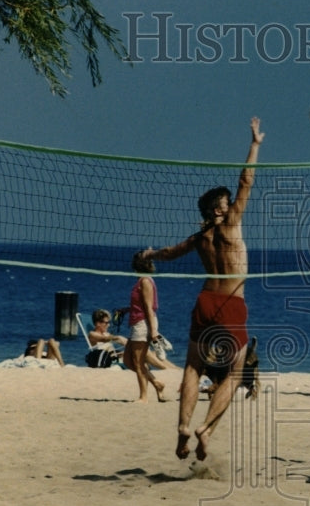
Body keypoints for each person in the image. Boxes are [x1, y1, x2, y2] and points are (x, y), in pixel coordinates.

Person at [139, 117, 264, 458]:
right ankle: (205, 427)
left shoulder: (199, 238)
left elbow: (168, 253)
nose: (230, 205)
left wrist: (148, 254)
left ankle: (182, 426)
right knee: (236, 373)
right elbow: (246, 180)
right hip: (231, 305)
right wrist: (254, 145)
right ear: (219, 209)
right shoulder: (232, 223)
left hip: (205, 302)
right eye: (225, 202)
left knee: (194, 367)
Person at [122, 253, 168, 403]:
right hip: (138, 322)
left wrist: (153, 330)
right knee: (128, 361)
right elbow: (140, 306)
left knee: (138, 361)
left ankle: (144, 397)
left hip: (143, 324)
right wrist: (125, 310)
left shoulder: (146, 281)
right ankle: (157, 383)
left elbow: (149, 308)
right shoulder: (141, 280)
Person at [87, 308, 177, 370]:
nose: (109, 325)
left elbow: (111, 351)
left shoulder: (106, 333)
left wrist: (120, 353)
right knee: (143, 353)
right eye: (106, 323)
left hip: (116, 357)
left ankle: (175, 369)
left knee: (152, 353)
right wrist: (118, 338)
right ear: (98, 323)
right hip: (108, 363)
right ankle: (166, 369)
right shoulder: (92, 334)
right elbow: (105, 339)